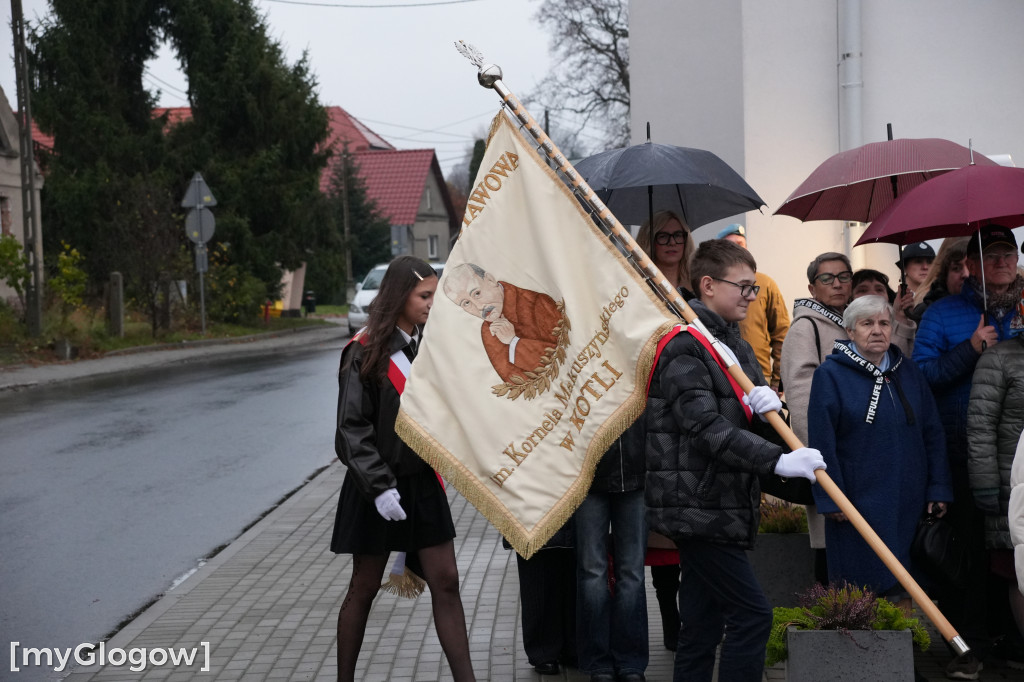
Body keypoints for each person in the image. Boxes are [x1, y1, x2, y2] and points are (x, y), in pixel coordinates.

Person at [644, 239, 826, 682]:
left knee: (702, 628)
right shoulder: (683, 345)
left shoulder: (737, 347)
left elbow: (749, 421)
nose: (752, 296)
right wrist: (775, 463)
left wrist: (771, 414)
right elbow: (703, 427)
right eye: (743, 287)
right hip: (697, 506)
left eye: (754, 288)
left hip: (722, 504)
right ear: (707, 285)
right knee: (752, 616)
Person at [331, 256, 476, 682]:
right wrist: (379, 488)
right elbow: (350, 430)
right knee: (365, 586)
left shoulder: (426, 346)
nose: (433, 303)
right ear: (399, 297)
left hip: (421, 485)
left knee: (446, 581)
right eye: (424, 295)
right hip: (377, 488)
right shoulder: (363, 350)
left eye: (434, 294)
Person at [913, 225, 1024, 680]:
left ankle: (1013, 642)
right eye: (990, 255)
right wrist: (971, 348)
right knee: (974, 557)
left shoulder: (1023, 308)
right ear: (970, 264)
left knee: (1016, 554)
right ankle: (972, 646)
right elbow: (922, 378)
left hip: (1017, 457)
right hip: (961, 450)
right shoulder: (943, 314)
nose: (1000, 262)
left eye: (1007, 253)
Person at [807, 295, 952, 605]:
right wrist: (831, 497)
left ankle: (902, 649)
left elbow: (933, 433)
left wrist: (938, 489)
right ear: (849, 331)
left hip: (907, 500)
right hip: (856, 502)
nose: (877, 330)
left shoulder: (909, 372)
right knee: (860, 588)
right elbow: (821, 443)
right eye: (867, 323)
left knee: (904, 584)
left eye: (884, 323)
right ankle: (864, 652)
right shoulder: (829, 376)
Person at [780, 252, 853, 582]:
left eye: (843, 276)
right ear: (812, 287)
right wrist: (817, 458)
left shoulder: (851, 322)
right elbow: (800, 396)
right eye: (827, 278)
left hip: (853, 451)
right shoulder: (805, 326)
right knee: (828, 540)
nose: (837, 284)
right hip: (826, 455)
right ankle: (830, 620)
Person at [575, 424, 649, 682]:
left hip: (636, 468)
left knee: (631, 572)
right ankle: (599, 662)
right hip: (585, 473)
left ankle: (631, 662)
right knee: (592, 572)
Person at [968, 330, 1024, 669]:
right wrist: (986, 484)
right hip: (1012, 486)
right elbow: (980, 426)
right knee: (1019, 572)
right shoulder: (999, 358)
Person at [443, 262, 567, 389]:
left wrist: (514, 342)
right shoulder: (488, 330)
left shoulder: (537, 302)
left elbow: (564, 358)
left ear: (490, 280)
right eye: (466, 303)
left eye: (477, 293)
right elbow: (514, 383)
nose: (479, 307)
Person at [719, 223, 791, 391]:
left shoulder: (765, 284)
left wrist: (777, 381)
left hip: (759, 374)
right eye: (730, 245)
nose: (736, 250)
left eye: (740, 244)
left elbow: (781, 334)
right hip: (721, 373)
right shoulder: (712, 285)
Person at [850, 269, 916, 355]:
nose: (873, 294)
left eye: (879, 290)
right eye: (862, 290)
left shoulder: (899, 318)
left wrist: (900, 317)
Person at [635, 209, 697, 301]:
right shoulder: (635, 287)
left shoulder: (699, 286)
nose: (672, 243)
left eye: (678, 235)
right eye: (663, 236)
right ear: (649, 242)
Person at [910, 237, 971, 322]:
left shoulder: (987, 307)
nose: (966, 274)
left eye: (971, 267)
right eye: (956, 268)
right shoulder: (929, 308)